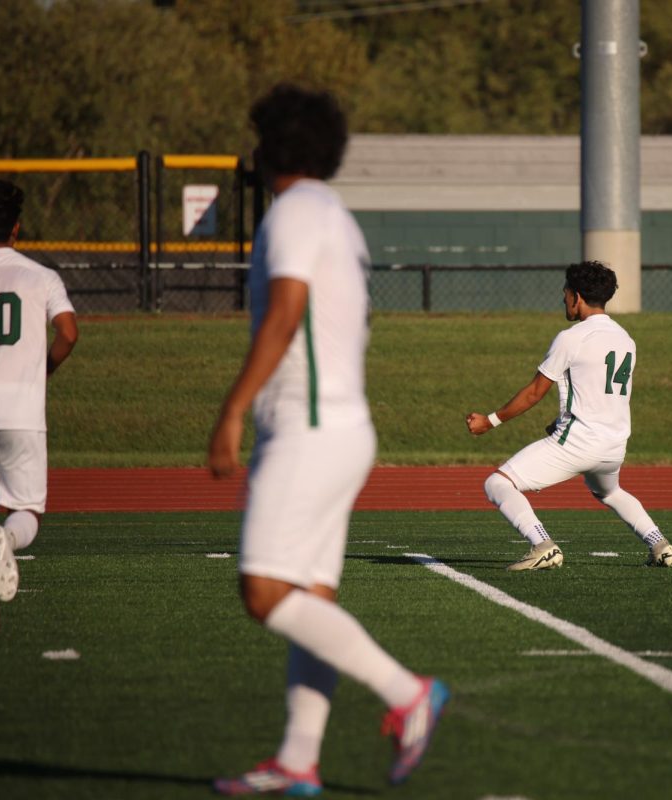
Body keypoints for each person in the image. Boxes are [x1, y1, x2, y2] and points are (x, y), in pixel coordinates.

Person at [207, 83, 447, 796]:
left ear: (275, 144)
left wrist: (231, 410)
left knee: (263, 592)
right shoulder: (336, 217)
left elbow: (286, 313)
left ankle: (408, 694)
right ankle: (299, 760)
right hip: (338, 425)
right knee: (310, 598)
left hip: (310, 428)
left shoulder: (293, 212)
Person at [466, 260, 672, 571]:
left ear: (576, 296)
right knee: (610, 492)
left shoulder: (572, 337)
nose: (563, 298)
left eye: (565, 292)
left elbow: (534, 393)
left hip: (580, 441)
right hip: (613, 445)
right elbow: (604, 395)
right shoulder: (626, 339)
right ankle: (660, 545)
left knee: (497, 484)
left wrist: (490, 420)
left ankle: (542, 545)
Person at [0, 179, 78, 636]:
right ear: (16, 229)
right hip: (21, 406)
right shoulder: (40, 276)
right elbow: (67, 333)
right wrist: (40, 372)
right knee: (26, 511)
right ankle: (11, 539)